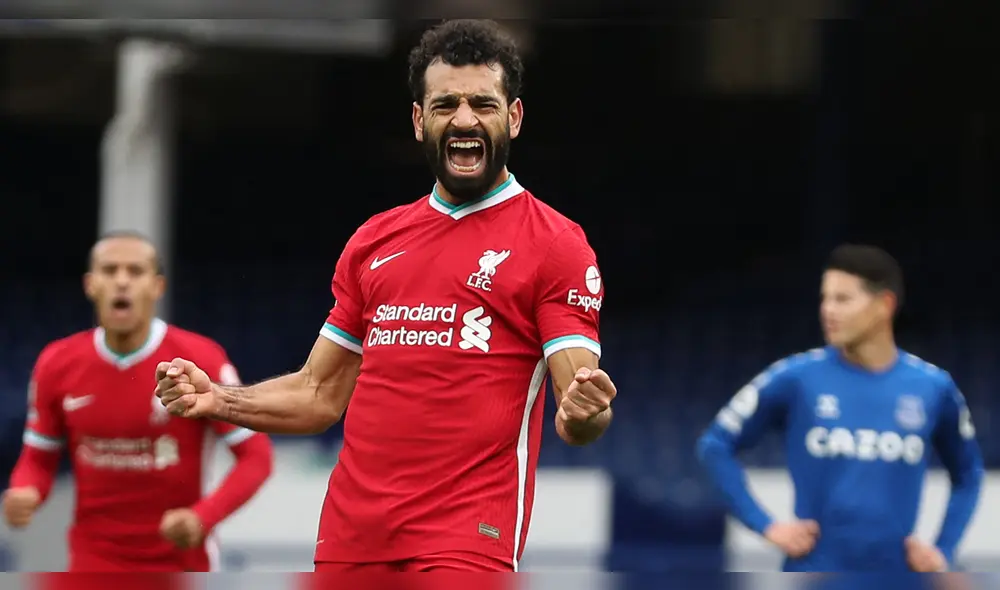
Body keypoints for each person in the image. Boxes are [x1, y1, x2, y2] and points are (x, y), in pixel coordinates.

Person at [154, 19, 618, 573]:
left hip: (464, 545)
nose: (464, 119)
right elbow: (318, 393)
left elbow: (577, 408)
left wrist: (588, 411)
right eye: (445, 105)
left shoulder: (555, 245)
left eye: (483, 104)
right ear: (420, 121)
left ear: (513, 118)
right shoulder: (375, 241)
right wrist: (218, 400)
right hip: (350, 540)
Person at [697, 244, 984, 572]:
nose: (828, 310)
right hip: (812, 576)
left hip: (895, 579)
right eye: (825, 298)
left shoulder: (933, 387)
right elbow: (715, 445)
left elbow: (968, 474)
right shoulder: (795, 378)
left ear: (884, 305)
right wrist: (767, 526)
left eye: (842, 299)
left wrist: (943, 550)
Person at [4, 231, 273, 572]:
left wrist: (203, 516)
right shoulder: (56, 364)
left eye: (135, 271)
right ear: (90, 284)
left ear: (157, 286)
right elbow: (38, 459)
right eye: (109, 270)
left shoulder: (198, 359)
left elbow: (256, 457)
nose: (121, 281)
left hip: (181, 565)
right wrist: (25, 491)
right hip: (93, 563)